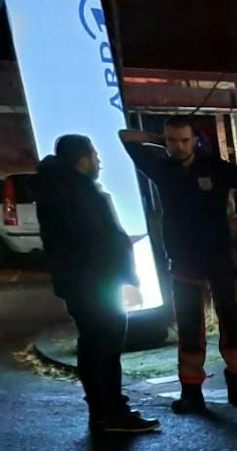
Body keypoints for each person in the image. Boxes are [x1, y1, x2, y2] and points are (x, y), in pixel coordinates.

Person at [120, 117, 237, 413]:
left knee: (231, 324)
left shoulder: (215, 167)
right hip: (183, 259)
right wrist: (160, 140)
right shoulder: (161, 168)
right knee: (189, 327)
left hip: (220, 257)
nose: (179, 147)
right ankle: (191, 392)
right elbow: (125, 135)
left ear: (196, 140)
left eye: (185, 140)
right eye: (173, 140)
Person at [33, 135, 158, 434]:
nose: (99, 162)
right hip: (97, 284)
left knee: (93, 345)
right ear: (82, 159)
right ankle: (110, 412)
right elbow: (104, 241)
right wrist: (128, 277)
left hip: (80, 284)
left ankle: (103, 409)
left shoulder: (55, 190)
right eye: (95, 155)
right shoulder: (79, 193)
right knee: (104, 346)